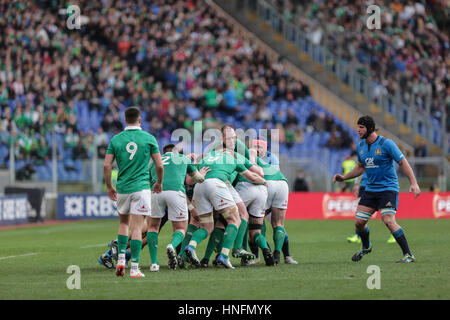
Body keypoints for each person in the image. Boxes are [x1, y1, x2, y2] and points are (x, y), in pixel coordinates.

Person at [333, 115, 421, 263]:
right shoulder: (361, 146)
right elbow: (360, 168)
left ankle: (408, 255)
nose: (358, 130)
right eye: (358, 126)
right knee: (359, 223)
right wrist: (344, 177)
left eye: (361, 127)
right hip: (371, 189)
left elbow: (403, 162)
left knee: (388, 219)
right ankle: (366, 246)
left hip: (388, 188)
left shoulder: (387, 144)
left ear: (370, 129)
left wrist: (414, 182)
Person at [183, 126, 268, 269]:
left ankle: (191, 247)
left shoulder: (206, 157)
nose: (233, 141)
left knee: (206, 226)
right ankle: (223, 255)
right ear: (223, 141)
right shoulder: (234, 156)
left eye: (234, 138)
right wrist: (264, 182)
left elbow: (189, 181)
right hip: (217, 185)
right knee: (235, 219)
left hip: (200, 186)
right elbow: (253, 175)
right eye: (231, 138)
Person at [104, 106, 163, 278]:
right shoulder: (149, 138)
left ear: (125, 120)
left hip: (122, 188)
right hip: (142, 187)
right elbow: (159, 165)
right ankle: (135, 268)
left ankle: (121, 259)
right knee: (137, 227)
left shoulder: (116, 139)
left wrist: (109, 186)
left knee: (123, 224)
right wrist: (159, 182)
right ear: (140, 120)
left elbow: (107, 165)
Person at [146, 144, 210, 271]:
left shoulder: (154, 161)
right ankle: (172, 245)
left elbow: (147, 180)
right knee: (180, 228)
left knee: (153, 227)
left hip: (156, 192)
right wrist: (201, 173)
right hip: (176, 192)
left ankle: (154, 263)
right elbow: (198, 179)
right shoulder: (183, 159)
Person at [251, 139, 298, 265]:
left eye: (259, 147)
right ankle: (283, 256)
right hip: (282, 184)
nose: (257, 148)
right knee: (279, 224)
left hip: (267, 186)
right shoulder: (272, 158)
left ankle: (258, 256)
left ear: (265, 149)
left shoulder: (253, 157)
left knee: (256, 222)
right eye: (254, 146)